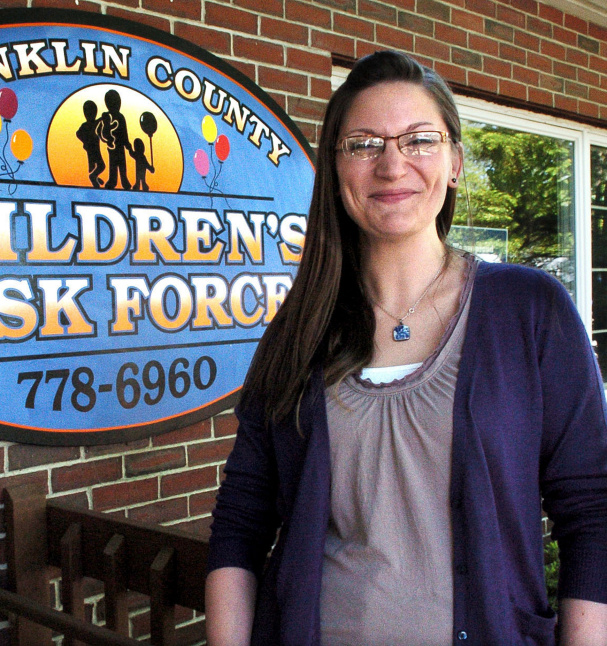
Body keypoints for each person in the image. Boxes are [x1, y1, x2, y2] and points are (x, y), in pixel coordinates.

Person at [206, 51, 607, 646]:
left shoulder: (530, 311)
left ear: (454, 165)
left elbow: (592, 515)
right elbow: (241, 520)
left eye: (419, 140)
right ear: (336, 169)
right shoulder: (300, 327)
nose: (392, 164)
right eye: (364, 143)